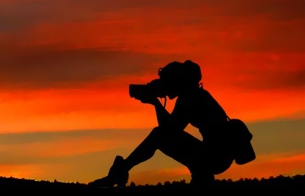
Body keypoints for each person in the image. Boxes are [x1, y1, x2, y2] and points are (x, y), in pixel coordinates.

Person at [93, 60, 239, 186]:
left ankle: (121, 171)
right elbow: (172, 128)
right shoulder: (196, 94)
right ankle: (201, 176)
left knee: (158, 135)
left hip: (215, 157)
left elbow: (170, 130)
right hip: (217, 155)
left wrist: (155, 103)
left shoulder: (190, 98)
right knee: (160, 135)